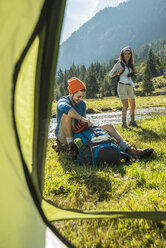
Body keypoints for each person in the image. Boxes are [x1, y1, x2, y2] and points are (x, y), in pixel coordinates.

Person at [53, 77, 152, 160]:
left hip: (78, 133)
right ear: (71, 93)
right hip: (64, 136)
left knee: (109, 126)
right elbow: (66, 109)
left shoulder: (82, 104)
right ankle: (71, 148)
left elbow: (83, 121)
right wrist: (82, 119)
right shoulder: (62, 101)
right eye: (78, 96)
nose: (80, 99)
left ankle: (129, 149)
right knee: (67, 116)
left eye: (82, 97)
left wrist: (88, 124)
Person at [109, 46, 137, 128]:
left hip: (130, 86)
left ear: (131, 54)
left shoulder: (131, 64)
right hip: (122, 86)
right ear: (122, 54)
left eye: (129, 54)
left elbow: (131, 74)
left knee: (133, 105)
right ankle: (124, 124)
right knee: (126, 106)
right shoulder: (119, 63)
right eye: (125, 54)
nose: (127, 55)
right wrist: (119, 71)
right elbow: (110, 74)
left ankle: (132, 122)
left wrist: (133, 71)